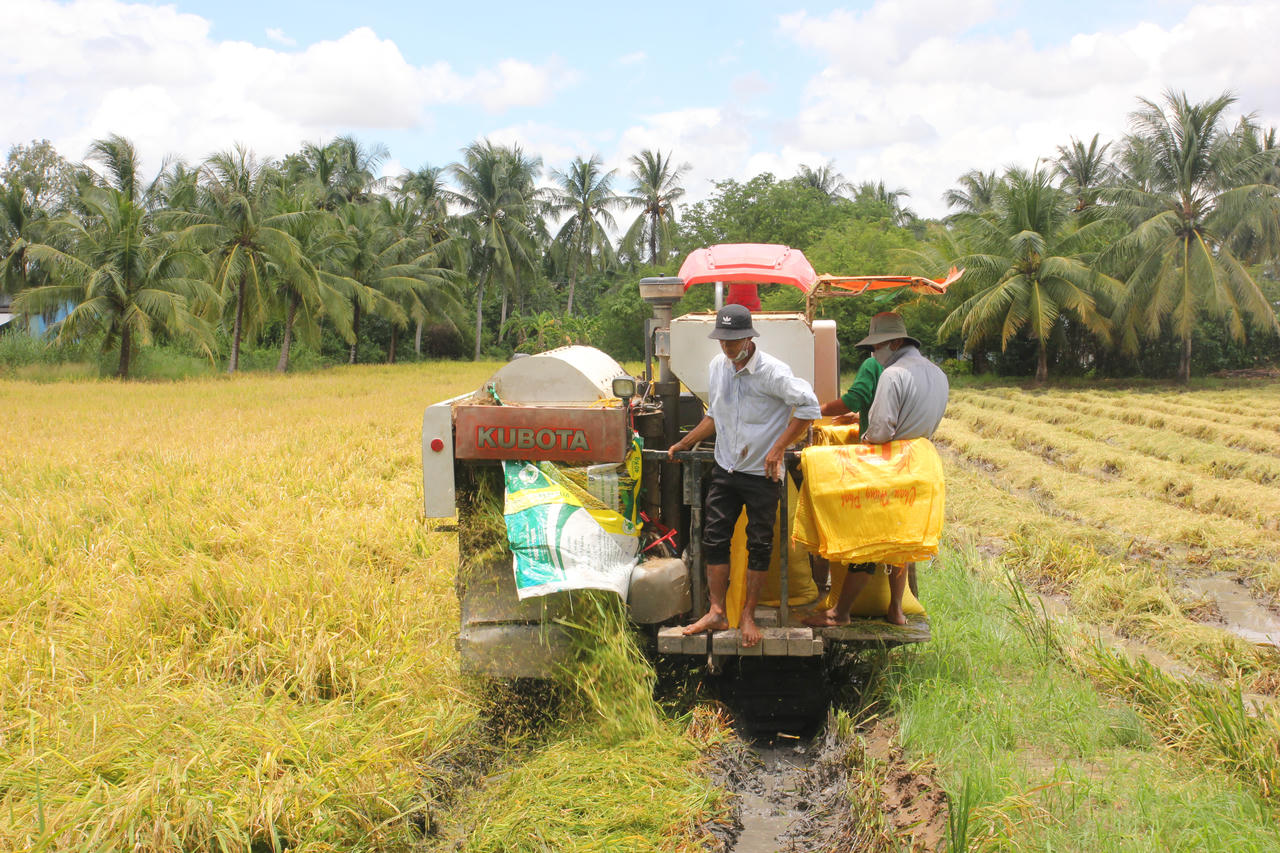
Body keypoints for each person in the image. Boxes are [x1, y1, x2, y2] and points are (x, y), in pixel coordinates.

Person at [668, 303, 821, 647]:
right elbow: (716, 417)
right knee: (714, 538)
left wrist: (779, 447)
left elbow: (810, 406)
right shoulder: (716, 367)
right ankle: (717, 609)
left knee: (759, 545)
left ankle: (748, 614)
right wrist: (685, 442)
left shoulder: (772, 372)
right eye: (723, 339)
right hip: (726, 467)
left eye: (734, 340)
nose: (728, 346)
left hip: (761, 474)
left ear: (749, 337)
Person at [804, 311, 949, 627]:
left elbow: (881, 429)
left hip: (888, 465)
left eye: (877, 346)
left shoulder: (893, 375)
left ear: (895, 342)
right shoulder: (938, 374)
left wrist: (863, 442)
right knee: (900, 541)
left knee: (867, 541)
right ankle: (896, 609)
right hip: (919, 463)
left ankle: (840, 612)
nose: (874, 354)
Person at [809, 340, 884, 595]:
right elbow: (880, 405)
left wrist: (817, 410)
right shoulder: (913, 369)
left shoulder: (873, 363)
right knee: (895, 536)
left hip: (875, 458)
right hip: (906, 460)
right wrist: (858, 416)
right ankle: (895, 605)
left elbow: (855, 398)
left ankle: (832, 598)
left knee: (858, 527)